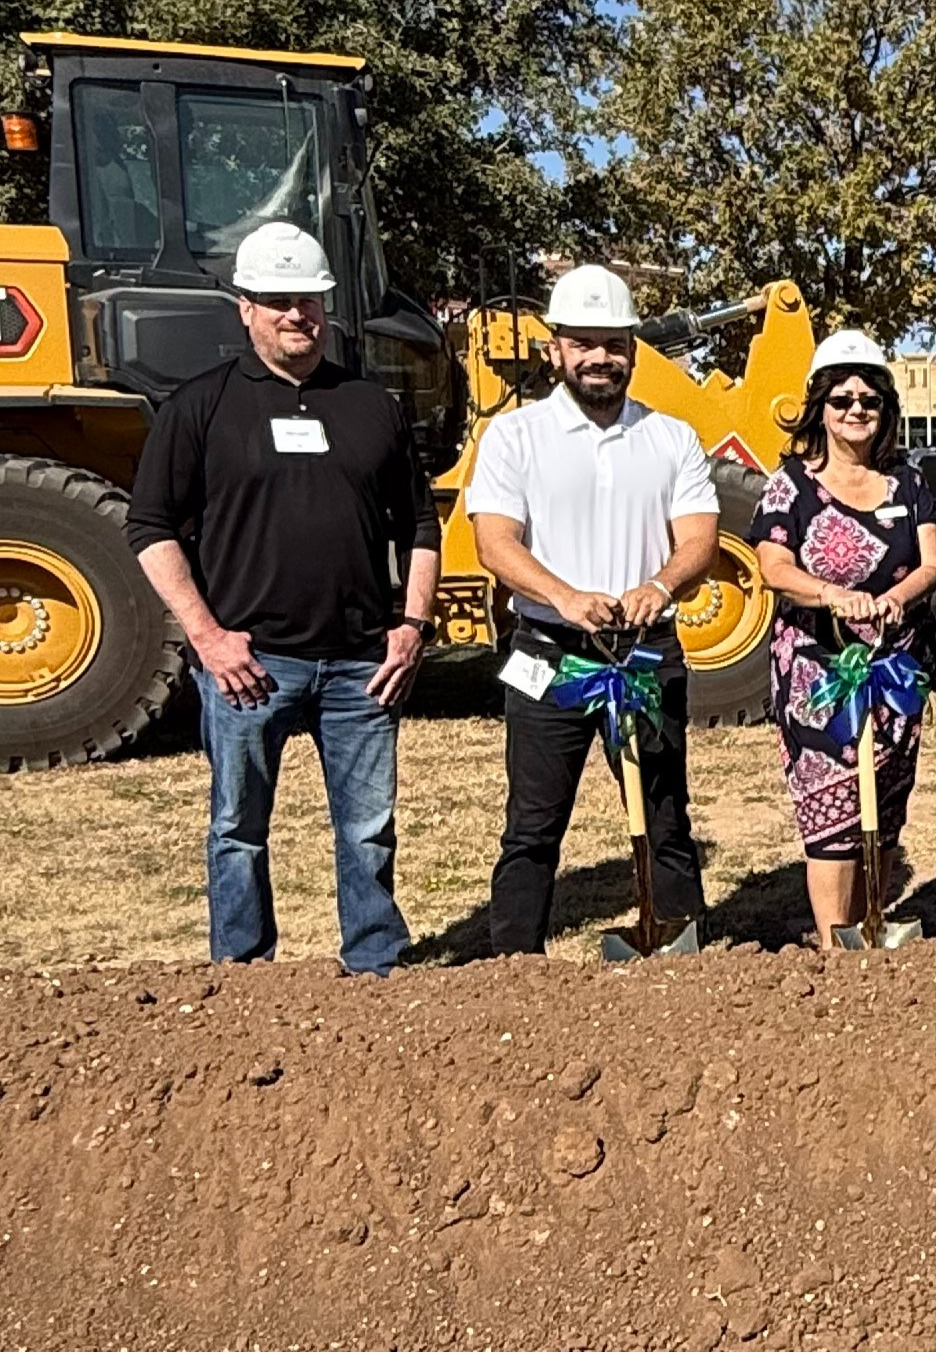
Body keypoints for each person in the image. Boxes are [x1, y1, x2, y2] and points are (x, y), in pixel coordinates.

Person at [126, 221, 440, 977]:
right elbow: (150, 527)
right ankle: (243, 971)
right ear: (245, 308)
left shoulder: (371, 404)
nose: (295, 314)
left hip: (362, 665)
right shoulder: (201, 407)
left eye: (307, 299)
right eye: (276, 301)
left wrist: (412, 626)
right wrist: (207, 638)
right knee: (238, 827)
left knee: (368, 830)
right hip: (249, 665)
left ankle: (375, 964)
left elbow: (422, 523)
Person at [466, 264, 721, 956]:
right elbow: (494, 542)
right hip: (549, 652)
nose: (600, 358)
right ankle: (516, 960)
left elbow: (698, 538)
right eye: (584, 343)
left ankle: (680, 948)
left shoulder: (670, 438)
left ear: (635, 350)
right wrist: (566, 596)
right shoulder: (514, 438)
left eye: (614, 343)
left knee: (665, 814)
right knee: (533, 822)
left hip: (645, 649)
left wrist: (660, 586)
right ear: (556, 349)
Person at [753, 328, 936, 946]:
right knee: (830, 804)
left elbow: (931, 563)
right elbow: (773, 568)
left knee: (886, 799)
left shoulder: (908, 484)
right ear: (820, 409)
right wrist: (832, 593)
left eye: (869, 399)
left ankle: (875, 920)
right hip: (816, 672)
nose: (856, 409)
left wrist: (894, 598)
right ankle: (836, 940)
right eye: (842, 398)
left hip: (895, 667)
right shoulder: (791, 485)